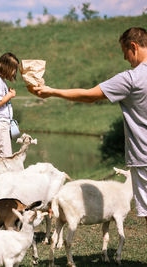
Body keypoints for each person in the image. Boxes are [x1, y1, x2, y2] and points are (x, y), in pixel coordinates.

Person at [31, 27, 147, 226]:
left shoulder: (132, 78)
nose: (126, 59)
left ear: (133, 47)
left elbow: (90, 95)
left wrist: (51, 92)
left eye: (125, 53)